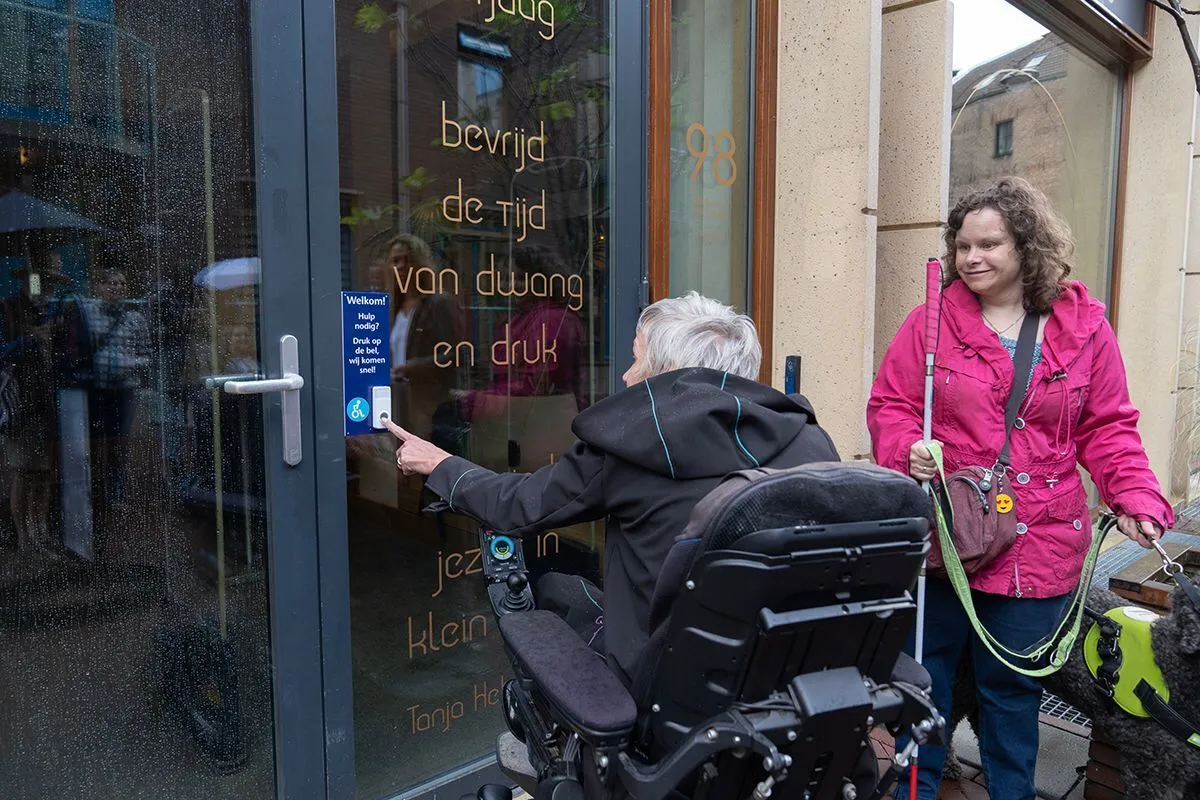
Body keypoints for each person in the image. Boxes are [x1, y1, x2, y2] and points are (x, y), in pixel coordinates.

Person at [867, 176, 1173, 800]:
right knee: (924, 687)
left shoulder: (1084, 328)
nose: (972, 258)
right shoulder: (930, 322)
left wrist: (1135, 495)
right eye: (963, 247)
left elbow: (1109, 426)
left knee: (1011, 696)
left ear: (1026, 246)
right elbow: (891, 405)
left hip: (1038, 544)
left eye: (990, 245)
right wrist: (907, 449)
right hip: (948, 538)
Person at [384, 292, 840, 684]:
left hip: (660, 685)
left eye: (636, 358)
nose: (625, 375)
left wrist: (441, 464)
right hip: (773, 678)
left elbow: (519, 508)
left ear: (667, 373)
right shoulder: (808, 438)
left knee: (557, 593)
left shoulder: (636, 443)